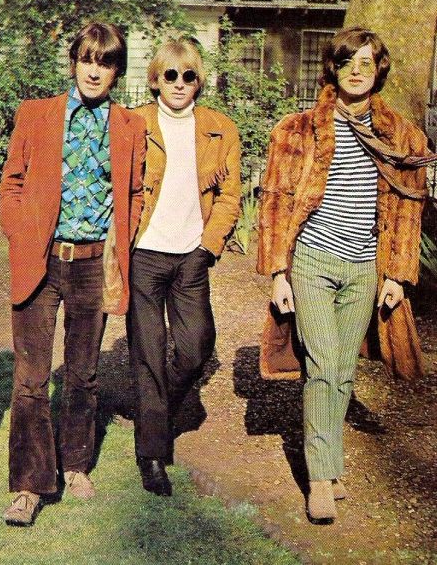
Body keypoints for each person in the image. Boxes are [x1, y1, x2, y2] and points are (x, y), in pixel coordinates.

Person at [257, 26, 432, 522]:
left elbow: (408, 209)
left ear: (379, 70)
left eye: (367, 62)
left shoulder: (401, 135)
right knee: (323, 363)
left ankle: (329, 462)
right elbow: (274, 201)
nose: (357, 71)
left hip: (364, 268)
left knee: (344, 369)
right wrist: (278, 272)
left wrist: (396, 275)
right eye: (348, 61)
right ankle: (320, 477)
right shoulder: (297, 130)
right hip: (312, 262)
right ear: (333, 68)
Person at [0, 22, 146, 526]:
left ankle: (76, 463)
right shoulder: (36, 114)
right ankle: (28, 484)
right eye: (87, 60)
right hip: (40, 260)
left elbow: (133, 194)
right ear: (74, 62)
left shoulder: (129, 126)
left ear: (117, 71)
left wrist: (119, 244)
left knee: (83, 373)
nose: (94, 71)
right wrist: (20, 233)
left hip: (93, 264)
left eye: (105, 63)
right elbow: (12, 182)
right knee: (32, 377)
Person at [127, 38, 241, 496]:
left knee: (196, 349)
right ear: (156, 80)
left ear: (198, 82)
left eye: (188, 76)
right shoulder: (134, 124)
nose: (179, 84)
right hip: (144, 254)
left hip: (191, 256)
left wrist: (207, 247)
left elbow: (230, 197)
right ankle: (152, 453)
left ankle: (154, 414)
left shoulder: (219, 129)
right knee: (149, 353)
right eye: (170, 75)